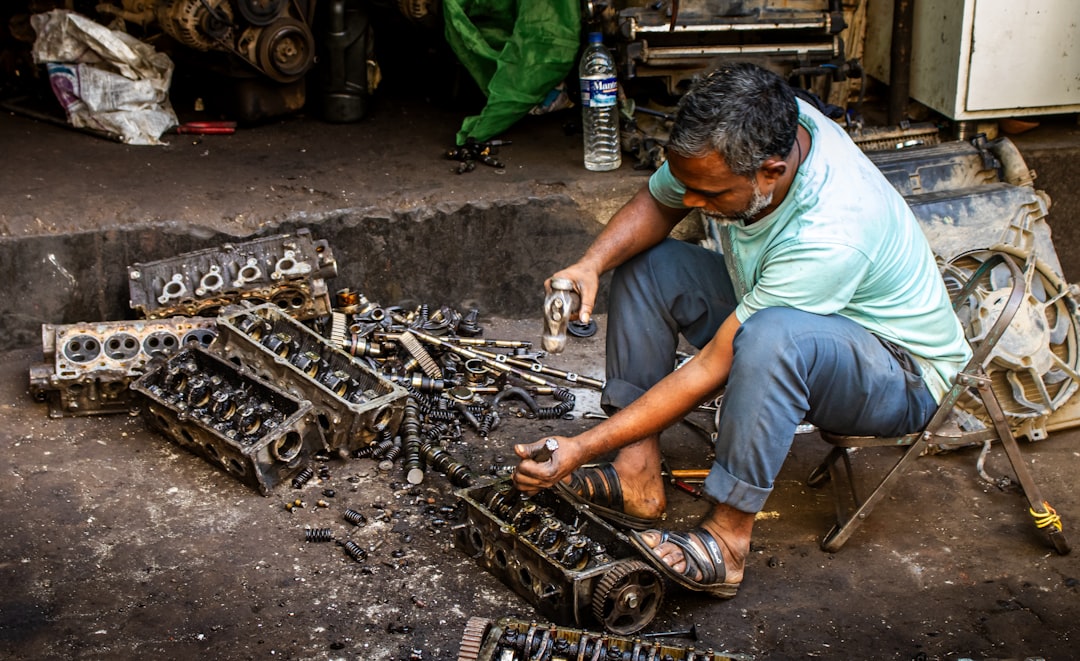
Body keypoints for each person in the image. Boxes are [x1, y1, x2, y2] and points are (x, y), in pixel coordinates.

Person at [511, 62, 972, 598]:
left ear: (771, 172)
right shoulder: (761, 125)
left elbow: (713, 366)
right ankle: (637, 475)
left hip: (900, 372)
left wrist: (581, 446)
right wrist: (591, 263)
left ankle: (728, 540)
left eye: (710, 193)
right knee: (645, 264)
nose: (691, 203)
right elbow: (661, 199)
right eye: (688, 184)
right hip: (789, 306)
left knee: (771, 339)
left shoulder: (832, 231)